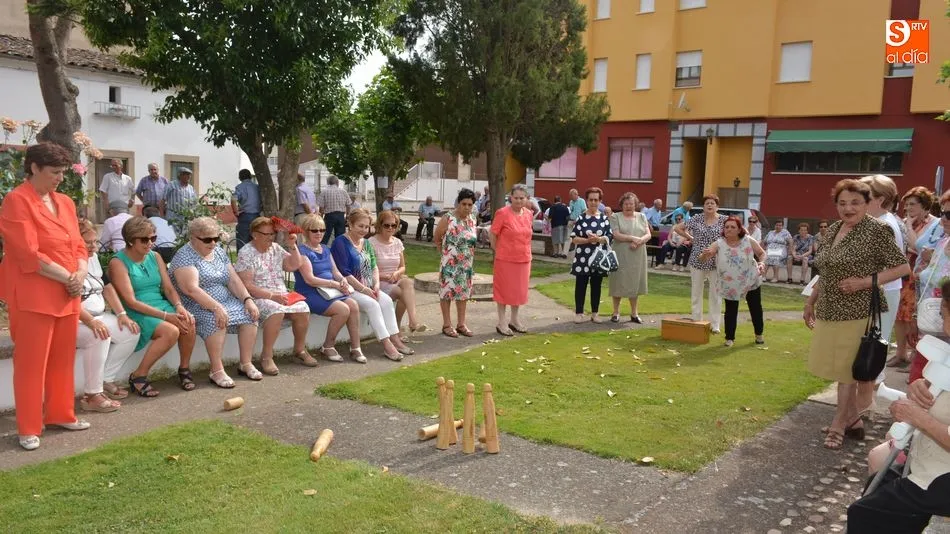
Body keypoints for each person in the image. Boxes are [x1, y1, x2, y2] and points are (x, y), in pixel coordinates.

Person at [803, 178, 909, 450]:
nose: (848, 208)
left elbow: (902, 268)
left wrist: (864, 281)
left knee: (848, 371)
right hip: (829, 309)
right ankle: (853, 420)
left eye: (855, 203)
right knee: (835, 368)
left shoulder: (877, 230)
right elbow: (825, 270)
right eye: (842, 203)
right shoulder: (835, 229)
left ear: (867, 203)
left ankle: (839, 424)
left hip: (858, 311)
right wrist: (810, 301)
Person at [0, 143, 90, 450]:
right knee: (31, 363)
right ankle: (28, 426)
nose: (60, 178)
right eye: (54, 172)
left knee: (62, 359)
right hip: (33, 293)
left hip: (67, 291)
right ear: (34, 168)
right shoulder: (16, 200)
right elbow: (26, 253)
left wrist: (79, 273)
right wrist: (69, 278)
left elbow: (78, 243)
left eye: (63, 172)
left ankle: (60, 413)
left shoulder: (64, 201)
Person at [847, 376, 950, 532]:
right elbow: (937, 380)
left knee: (866, 513)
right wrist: (922, 386)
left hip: (941, 474)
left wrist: (918, 417)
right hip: (928, 462)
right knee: (878, 484)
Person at [109, 216, 197, 397]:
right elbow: (131, 301)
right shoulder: (118, 263)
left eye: (153, 238)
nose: (150, 243)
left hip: (159, 304)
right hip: (136, 310)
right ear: (131, 240)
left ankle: (184, 369)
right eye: (144, 239)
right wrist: (166, 316)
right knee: (171, 331)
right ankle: (139, 375)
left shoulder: (155, 256)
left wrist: (179, 306)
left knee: (188, 320)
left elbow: (168, 288)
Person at [170, 217, 261, 387]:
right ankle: (216, 370)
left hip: (224, 300)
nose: (212, 243)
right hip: (196, 304)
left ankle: (245, 363)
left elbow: (233, 280)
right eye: (206, 239)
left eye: (215, 238)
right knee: (216, 320)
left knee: (250, 314)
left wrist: (247, 299)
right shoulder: (185, 256)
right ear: (193, 237)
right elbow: (191, 290)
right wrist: (216, 307)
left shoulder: (218, 251)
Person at [75, 220, 141, 413]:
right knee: (99, 335)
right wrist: (90, 321)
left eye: (95, 242)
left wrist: (121, 314)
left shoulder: (93, 257)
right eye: (88, 243)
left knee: (130, 331)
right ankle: (92, 395)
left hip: (97, 315)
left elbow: (107, 287)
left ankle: (105, 380)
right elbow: (66, 300)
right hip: (76, 319)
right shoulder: (68, 259)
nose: (94, 247)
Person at [235, 217, 314, 374]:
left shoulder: (276, 248)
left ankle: (300, 350)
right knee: (276, 311)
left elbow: (293, 265)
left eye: (273, 234)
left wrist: (292, 246)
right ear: (254, 234)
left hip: (280, 294)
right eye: (266, 234)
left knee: (303, 308)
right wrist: (272, 296)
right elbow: (247, 286)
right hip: (258, 297)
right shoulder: (246, 253)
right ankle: (267, 356)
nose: (270, 237)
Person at [331, 209, 413, 361]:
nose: (364, 230)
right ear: (350, 224)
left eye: (366, 227)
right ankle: (387, 344)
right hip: (351, 288)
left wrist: (375, 285)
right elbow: (345, 272)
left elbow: (374, 266)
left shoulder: (366, 243)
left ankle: (395, 338)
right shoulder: (340, 243)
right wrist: (363, 289)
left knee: (386, 301)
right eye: (360, 226)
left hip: (368, 286)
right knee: (373, 305)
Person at [294, 214, 364, 363]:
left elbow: (335, 271)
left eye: (322, 230)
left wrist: (343, 280)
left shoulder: (325, 248)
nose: (319, 233)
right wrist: (334, 284)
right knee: (343, 309)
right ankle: (328, 346)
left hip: (329, 291)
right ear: (306, 232)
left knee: (353, 305)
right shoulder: (302, 251)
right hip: (310, 292)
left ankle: (356, 347)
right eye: (314, 230)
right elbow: (310, 280)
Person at [699, 216, 767, 347]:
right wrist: (704, 255)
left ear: (739, 229)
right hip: (730, 283)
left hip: (750, 280)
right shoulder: (719, 243)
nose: (729, 229)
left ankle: (759, 334)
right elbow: (703, 258)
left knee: (755, 308)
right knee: (730, 310)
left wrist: (761, 263)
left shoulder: (748, 240)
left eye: (732, 227)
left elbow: (762, 253)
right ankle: (729, 338)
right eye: (726, 227)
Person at [892, 187, 937, 369]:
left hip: (920, 277)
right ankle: (900, 353)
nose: (908, 208)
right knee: (899, 314)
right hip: (902, 274)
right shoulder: (903, 222)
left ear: (925, 205)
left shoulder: (934, 224)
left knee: (913, 317)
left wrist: (909, 229)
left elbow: (917, 245)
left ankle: (915, 356)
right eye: (906, 204)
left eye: (913, 204)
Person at [674, 195, 727, 334]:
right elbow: (678, 228)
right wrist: (691, 238)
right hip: (697, 259)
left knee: (716, 293)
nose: (710, 205)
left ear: (717, 206)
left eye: (712, 203)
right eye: (707, 203)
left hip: (716, 259)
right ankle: (696, 319)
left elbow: (734, 233)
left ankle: (715, 325)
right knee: (696, 291)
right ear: (703, 206)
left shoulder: (723, 220)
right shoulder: (696, 218)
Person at [370, 210, 426, 333]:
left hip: (395, 279)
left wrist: (396, 274)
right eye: (387, 225)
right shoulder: (371, 243)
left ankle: (412, 321)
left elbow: (402, 267)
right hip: (379, 282)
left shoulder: (397, 242)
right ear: (380, 225)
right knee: (402, 293)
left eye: (393, 225)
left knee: (407, 283)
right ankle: (398, 326)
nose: (390, 228)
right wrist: (385, 277)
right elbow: (368, 270)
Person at [434, 189, 479, 338]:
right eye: (464, 204)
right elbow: (437, 237)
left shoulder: (472, 219)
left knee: (463, 295)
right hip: (449, 264)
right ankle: (447, 325)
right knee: (447, 294)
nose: (466, 207)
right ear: (458, 203)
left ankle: (461, 324)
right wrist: (444, 254)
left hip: (466, 266)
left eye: (470, 204)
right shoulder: (448, 218)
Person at [491, 184, 534, 336]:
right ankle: (501, 322)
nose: (518, 201)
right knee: (503, 291)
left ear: (526, 198)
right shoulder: (502, 213)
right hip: (505, 259)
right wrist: (498, 251)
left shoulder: (529, 214)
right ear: (511, 198)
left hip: (524, 259)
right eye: (516, 198)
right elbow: (493, 234)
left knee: (518, 292)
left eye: (522, 198)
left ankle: (514, 320)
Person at [571, 187, 612, 323]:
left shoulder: (604, 219)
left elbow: (610, 237)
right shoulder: (581, 218)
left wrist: (600, 239)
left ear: (600, 201)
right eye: (591, 200)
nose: (593, 202)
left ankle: (595, 313)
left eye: (596, 200)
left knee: (596, 285)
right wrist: (588, 240)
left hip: (598, 258)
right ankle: (579, 312)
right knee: (580, 285)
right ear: (587, 201)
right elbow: (574, 238)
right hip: (582, 257)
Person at [609, 193, 650, 323]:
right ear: (622, 205)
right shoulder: (615, 217)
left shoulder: (642, 216)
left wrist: (639, 241)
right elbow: (616, 235)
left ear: (635, 205)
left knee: (635, 282)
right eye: (626, 204)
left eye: (631, 204)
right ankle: (615, 312)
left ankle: (634, 313)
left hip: (637, 255)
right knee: (618, 282)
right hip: (620, 254)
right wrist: (632, 238)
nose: (628, 206)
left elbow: (648, 234)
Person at [231, 169, 261, 250]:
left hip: (245, 215)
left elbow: (233, 199)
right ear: (250, 177)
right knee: (255, 241)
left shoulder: (240, 187)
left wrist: (235, 211)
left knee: (242, 241)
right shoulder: (257, 187)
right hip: (257, 216)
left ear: (240, 177)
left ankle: (242, 261)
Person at [317, 175, 351, 244]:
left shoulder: (324, 191)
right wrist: (347, 216)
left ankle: (323, 250)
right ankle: (339, 251)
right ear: (337, 182)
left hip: (329, 216)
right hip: (341, 216)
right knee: (340, 236)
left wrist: (321, 218)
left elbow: (321, 207)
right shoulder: (343, 191)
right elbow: (348, 204)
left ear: (328, 182)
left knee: (325, 236)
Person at [162, 167, 197, 233]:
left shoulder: (191, 188)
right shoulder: (171, 185)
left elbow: (194, 202)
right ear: (180, 175)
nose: (189, 176)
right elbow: (162, 200)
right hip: (172, 217)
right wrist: (162, 216)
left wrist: (193, 216)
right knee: (172, 235)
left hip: (185, 218)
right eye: (186, 174)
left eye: (189, 175)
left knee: (184, 236)